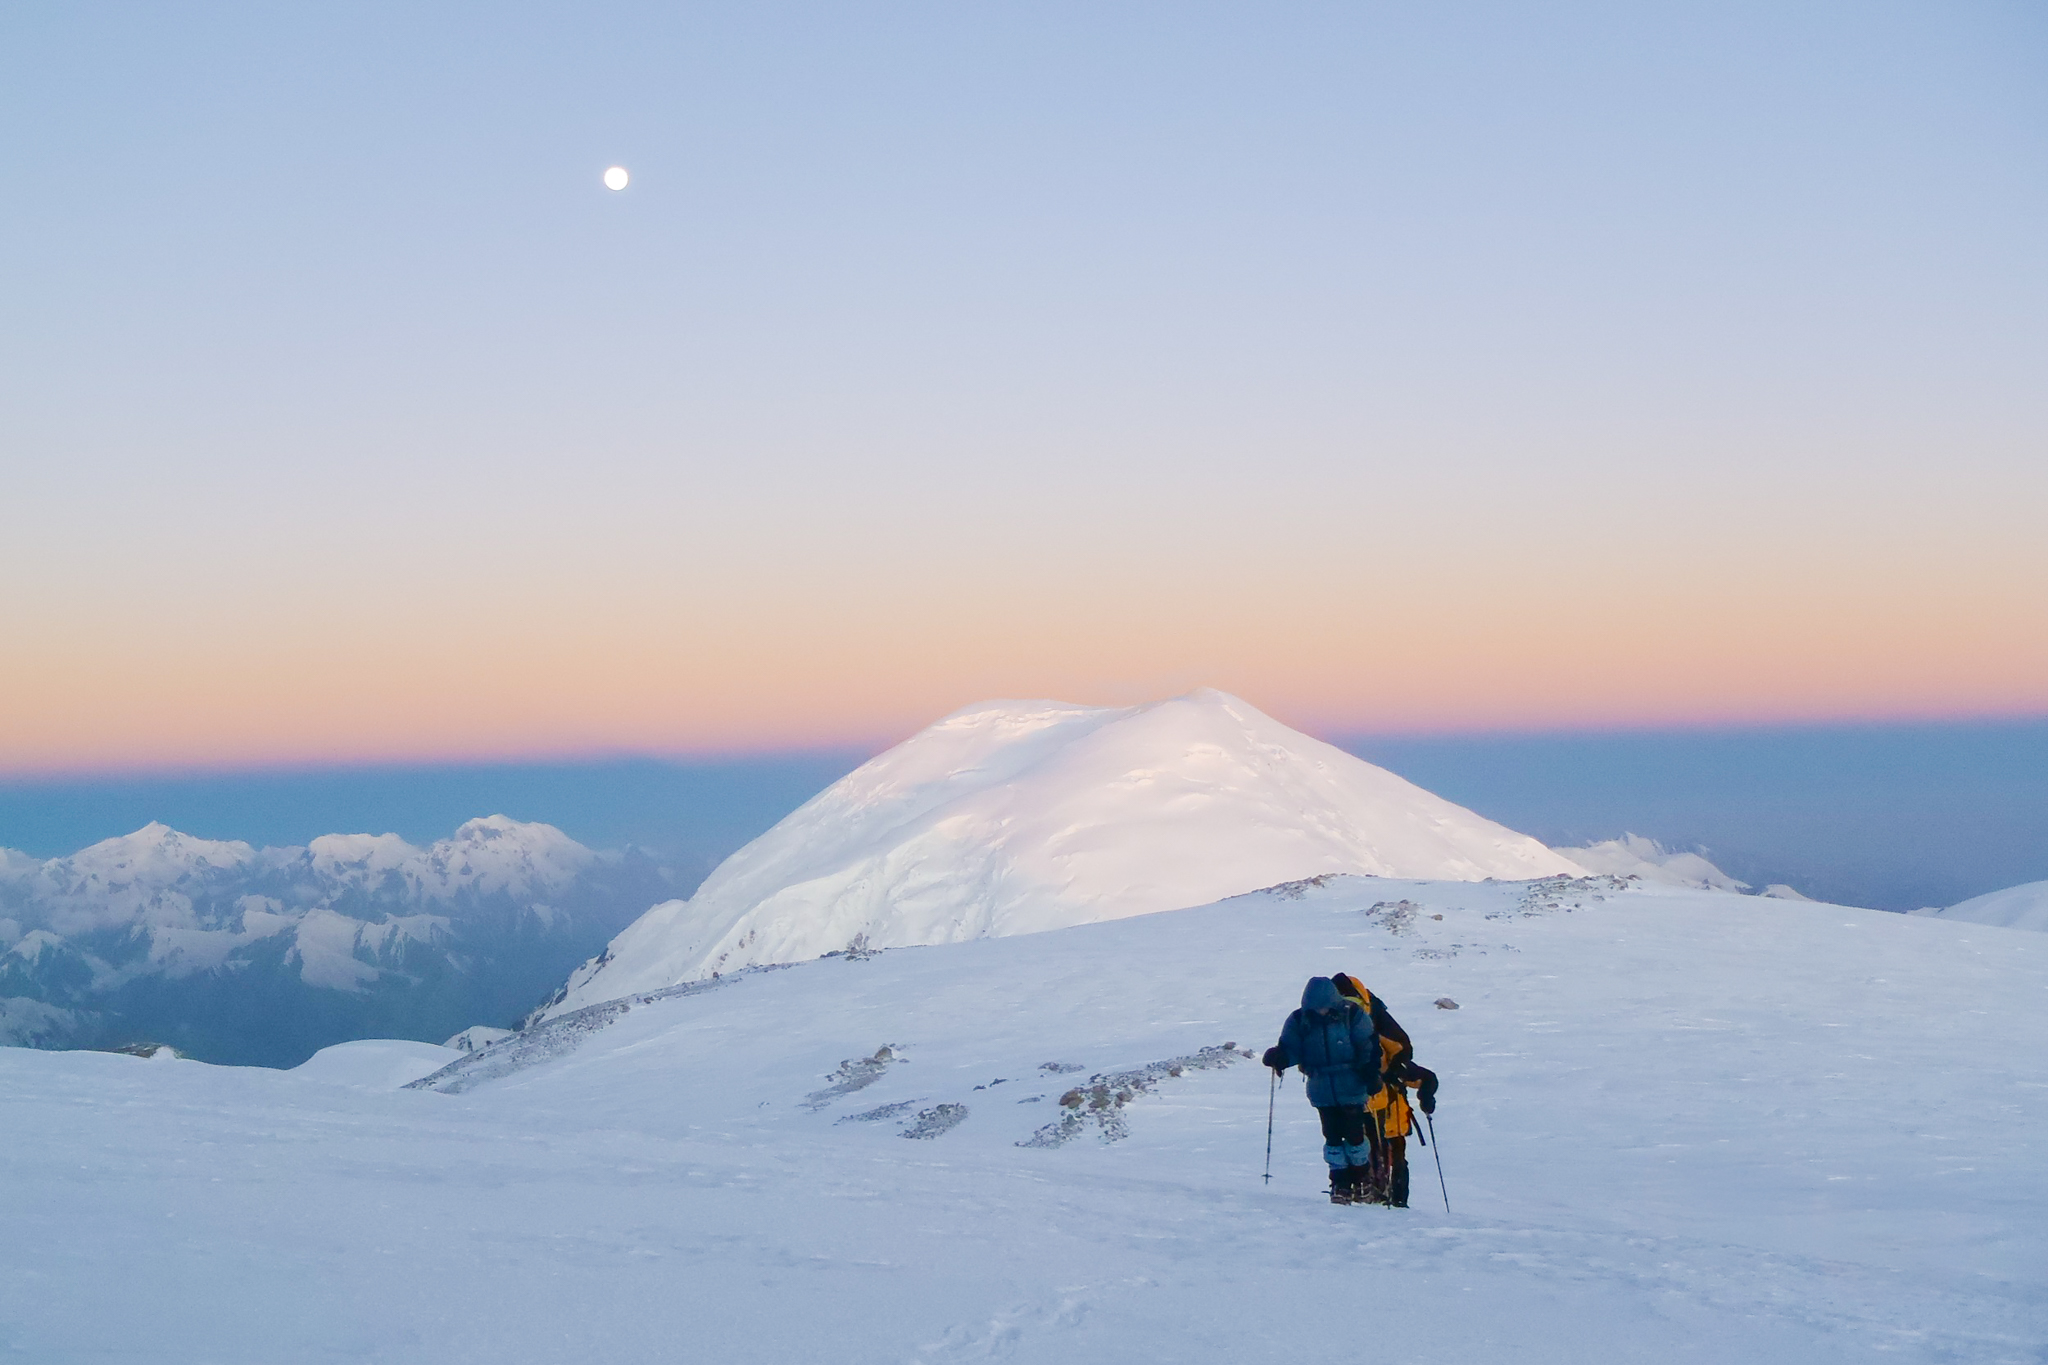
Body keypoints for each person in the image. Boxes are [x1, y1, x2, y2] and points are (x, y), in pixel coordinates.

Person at [1262, 977, 1384, 1204]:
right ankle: (1340, 1182)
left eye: (1324, 1006)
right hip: (1321, 1088)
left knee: (1355, 1134)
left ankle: (1361, 1179)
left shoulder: (1352, 1015)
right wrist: (1280, 1057)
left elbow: (1367, 1046)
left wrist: (1370, 1073)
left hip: (1351, 1084)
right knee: (1332, 1135)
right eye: (1316, 1007)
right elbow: (1292, 1048)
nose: (1320, 1011)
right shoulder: (1300, 1020)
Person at [1331, 971, 1436, 1207]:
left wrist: (1423, 1092)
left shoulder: (1369, 1024)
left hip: (1385, 1112)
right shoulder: (1368, 1021)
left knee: (1382, 1160)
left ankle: (1387, 1202)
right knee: (1377, 1158)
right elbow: (1417, 1069)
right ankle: (1387, 1203)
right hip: (1377, 1110)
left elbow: (1415, 1068)